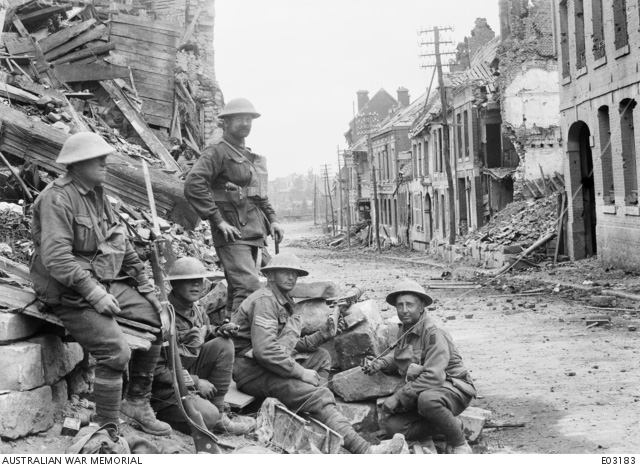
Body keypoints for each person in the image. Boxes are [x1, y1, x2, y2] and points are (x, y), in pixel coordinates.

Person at [29, 132, 171, 435]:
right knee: (116, 351)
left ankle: (136, 402)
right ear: (77, 163)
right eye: (98, 157)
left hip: (101, 280)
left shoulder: (97, 193)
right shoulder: (57, 197)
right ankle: (106, 426)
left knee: (158, 321)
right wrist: (94, 293)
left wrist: (147, 288)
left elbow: (122, 243)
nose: (106, 162)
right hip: (66, 288)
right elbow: (56, 259)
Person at [232, 253, 405, 454]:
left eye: (295, 274)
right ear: (270, 275)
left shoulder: (281, 300)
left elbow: (288, 345)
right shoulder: (265, 302)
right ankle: (365, 450)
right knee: (319, 394)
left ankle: (317, 413)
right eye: (285, 272)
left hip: (263, 365)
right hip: (251, 371)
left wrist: (323, 334)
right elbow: (265, 350)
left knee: (322, 357)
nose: (291, 277)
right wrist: (300, 373)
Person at [184, 98, 284, 319]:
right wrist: (217, 220)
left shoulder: (248, 156)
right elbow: (193, 184)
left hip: (254, 231)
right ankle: (243, 339)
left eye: (249, 119)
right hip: (232, 232)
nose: (245, 123)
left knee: (237, 288)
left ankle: (231, 334)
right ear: (225, 123)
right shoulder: (216, 152)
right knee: (249, 286)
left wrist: (273, 219)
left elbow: (258, 194)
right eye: (239, 118)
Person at [362, 279, 476, 454]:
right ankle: (452, 425)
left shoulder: (434, 332)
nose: (404, 310)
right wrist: (379, 364)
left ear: (421, 306)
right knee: (395, 428)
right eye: (400, 305)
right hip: (429, 390)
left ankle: (460, 444)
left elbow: (434, 376)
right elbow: (401, 358)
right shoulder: (406, 329)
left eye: (410, 305)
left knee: (427, 400)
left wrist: (399, 396)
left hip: (454, 389)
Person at [151, 257, 255, 435]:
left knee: (224, 344)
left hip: (187, 377)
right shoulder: (161, 317)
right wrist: (196, 382)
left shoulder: (196, 309)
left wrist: (219, 331)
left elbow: (206, 337)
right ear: (174, 285)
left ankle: (219, 414)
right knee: (208, 416)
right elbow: (156, 371)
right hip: (167, 393)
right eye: (188, 281)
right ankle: (196, 417)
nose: (196, 286)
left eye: (199, 281)